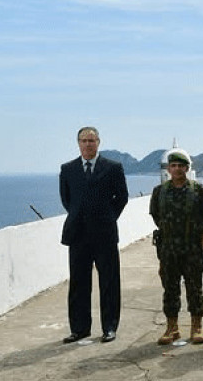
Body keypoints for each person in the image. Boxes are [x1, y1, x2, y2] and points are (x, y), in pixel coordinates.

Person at [59, 126, 128, 344]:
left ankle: (109, 327)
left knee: (109, 281)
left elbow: (122, 197)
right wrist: (81, 216)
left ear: (99, 142)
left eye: (92, 140)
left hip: (104, 233)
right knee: (79, 283)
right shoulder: (68, 169)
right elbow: (67, 200)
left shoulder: (113, 167)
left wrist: (107, 217)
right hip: (78, 234)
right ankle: (79, 329)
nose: (88, 144)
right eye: (84, 140)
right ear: (78, 143)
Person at [150, 151, 203, 345]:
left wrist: (196, 230)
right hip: (168, 248)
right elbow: (155, 215)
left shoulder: (199, 190)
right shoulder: (159, 192)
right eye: (173, 166)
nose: (177, 169)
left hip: (192, 247)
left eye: (181, 166)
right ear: (169, 169)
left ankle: (196, 327)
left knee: (195, 287)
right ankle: (172, 328)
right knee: (170, 288)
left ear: (187, 168)